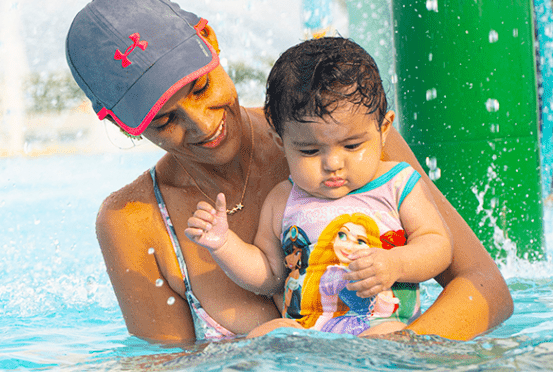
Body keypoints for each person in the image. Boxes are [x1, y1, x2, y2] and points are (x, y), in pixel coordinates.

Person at [64, 0, 512, 346]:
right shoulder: (134, 221)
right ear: (126, 127)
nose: (201, 125)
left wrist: (393, 356)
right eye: (165, 120)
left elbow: (486, 288)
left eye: (200, 88)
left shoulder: (347, 129)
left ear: (211, 42)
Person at [184, 37, 452, 337]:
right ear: (281, 142)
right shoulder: (283, 199)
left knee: (387, 334)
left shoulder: (397, 184)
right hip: (307, 333)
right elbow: (271, 276)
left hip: (378, 324)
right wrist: (224, 244)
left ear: (384, 129)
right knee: (268, 333)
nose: (332, 164)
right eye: (310, 151)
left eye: (351, 145)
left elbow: (438, 245)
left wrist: (396, 263)